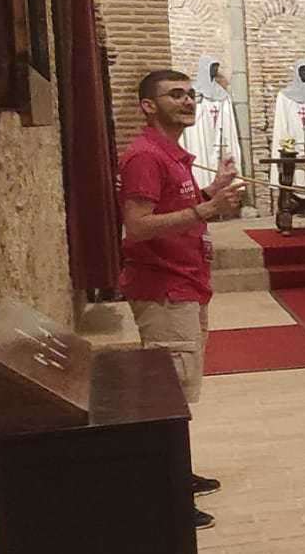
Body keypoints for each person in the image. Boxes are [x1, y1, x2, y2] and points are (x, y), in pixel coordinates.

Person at [118, 68, 244, 531]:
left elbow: (173, 209)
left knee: (180, 390)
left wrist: (211, 190)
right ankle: (168, 491)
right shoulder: (145, 157)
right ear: (148, 106)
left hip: (187, 283)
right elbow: (138, 225)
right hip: (164, 289)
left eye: (191, 94)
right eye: (175, 95)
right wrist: (206, 210)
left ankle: (178, 471)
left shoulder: (173, 155)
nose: (188, 101)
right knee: (169, 393)